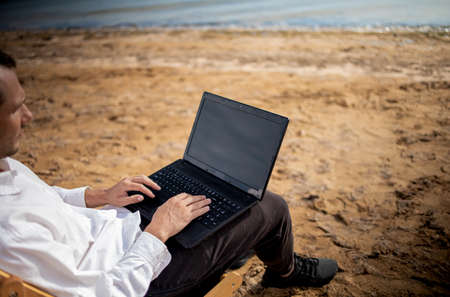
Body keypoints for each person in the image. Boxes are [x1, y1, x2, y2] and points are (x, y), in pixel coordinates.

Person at [0, 49, 338, 297]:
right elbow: (107, 292)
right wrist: (159, 232)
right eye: (16, 109)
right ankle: (285, 272)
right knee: (270, 207)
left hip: (121, 231)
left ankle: (232, 245)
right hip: (144, 277)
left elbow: (46, 199)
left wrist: (100, 196)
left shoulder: (6, 167)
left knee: (215, 198)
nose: (29, 116)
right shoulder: (8, 230)